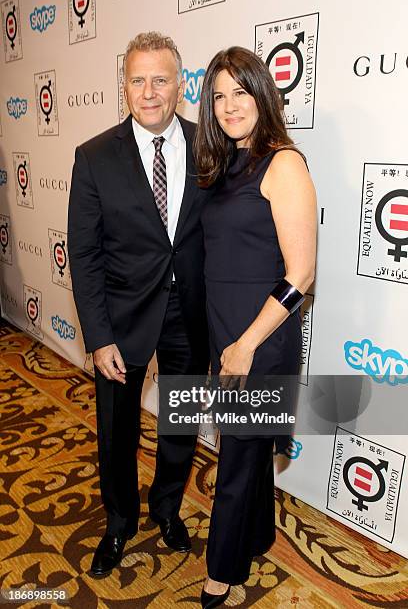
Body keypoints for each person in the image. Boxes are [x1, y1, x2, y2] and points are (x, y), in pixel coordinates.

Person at [68, 32, 209, 578]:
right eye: (137, 80)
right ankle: (119, 522)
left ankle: (169, 507)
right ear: (123, 85)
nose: (149, 92)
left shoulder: (208, 146)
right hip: (121, 320)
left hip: (189, 316)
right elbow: (83, 253)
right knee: (116, 428)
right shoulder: (94, 156)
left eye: (160, 79)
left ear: (180, 84)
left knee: (180, 421)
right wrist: (98, 336)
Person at [194, 46, 317, 607]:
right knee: (244, 448)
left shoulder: (283, 163)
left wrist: (244, 345)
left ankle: (221, 569)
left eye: (239, 91)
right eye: (218, 96)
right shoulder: (222, 165)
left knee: (235, 459)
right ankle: (259, 535)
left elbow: (301, 274)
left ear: (261, 93)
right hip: (227, 334)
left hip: (259, 340)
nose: (228, 105)